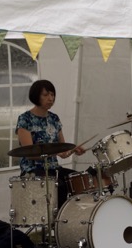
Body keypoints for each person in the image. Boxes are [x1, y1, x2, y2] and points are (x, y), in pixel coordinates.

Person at [15, 80, 85, 208]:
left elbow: (63, 151)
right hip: (33, 170)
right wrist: (55, 152)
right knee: (60, 186)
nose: (50, 98)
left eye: (52, 95)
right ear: (36, 96)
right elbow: (29, 153)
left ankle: (72, 215)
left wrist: (73, 150)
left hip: (53, 169)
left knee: (80, 180)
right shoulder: (25, 119)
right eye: (46, 95)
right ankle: (57, 217)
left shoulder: (54, 118)